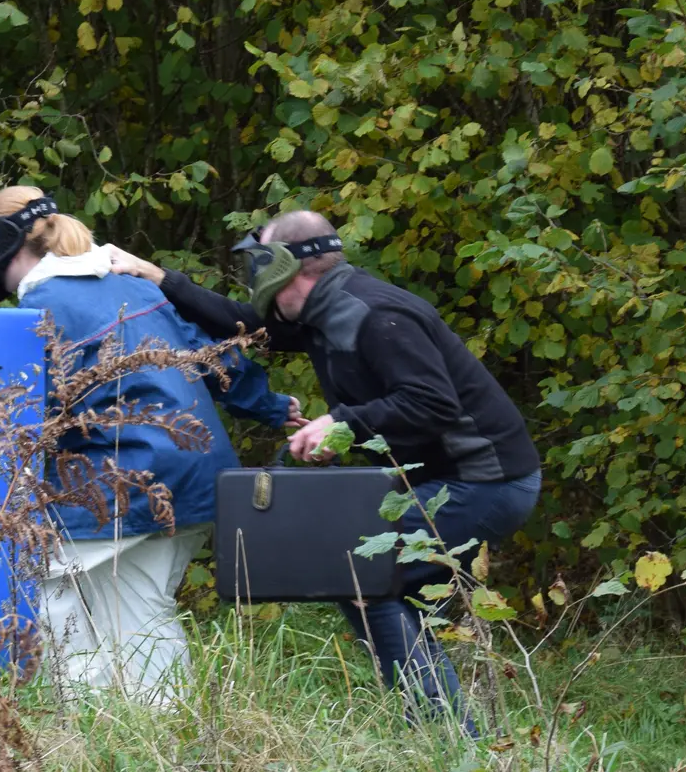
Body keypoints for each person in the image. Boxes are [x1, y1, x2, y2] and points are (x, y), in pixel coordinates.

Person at [105, 211, 541, 730]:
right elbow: (244, 324)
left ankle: (450, 736)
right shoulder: (325, 312)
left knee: (360, 575)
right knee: (384, 589)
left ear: (286, 267)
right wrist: (159, 278)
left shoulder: (375, 315)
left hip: (486, 483)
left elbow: (433, 402)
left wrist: (342, 421)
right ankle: (453, 737)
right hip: (452, 482)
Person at [0, 185, 298, 702]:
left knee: (56, 600)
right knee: (130, 610)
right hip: (197, 476)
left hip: (127, 483)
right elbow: (212, 355)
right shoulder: (134, 286)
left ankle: (119, 735)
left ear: (4, 241)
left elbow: (19, 418)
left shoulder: (43, 305)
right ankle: (129, 739)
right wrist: (273, 406)